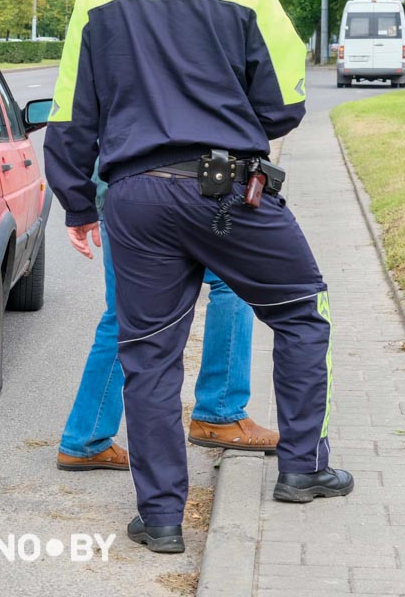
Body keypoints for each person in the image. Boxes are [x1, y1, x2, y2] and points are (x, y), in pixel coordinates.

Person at [44, 0, 352, 555]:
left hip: (136, 196)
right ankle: (302, 469)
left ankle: (159, 520)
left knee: (148, 356)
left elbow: (70, 113)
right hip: (229, 191)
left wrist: (74, 203)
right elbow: (287, 98)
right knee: (303, 314)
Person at [57, 170, 276, 473]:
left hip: (120, 197)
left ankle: (85, 437)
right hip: (180, 192)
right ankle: (220, 411)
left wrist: (78, 204)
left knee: (123, 315)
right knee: (234, 282)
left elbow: (64, 132)